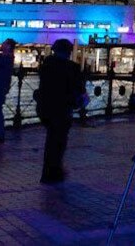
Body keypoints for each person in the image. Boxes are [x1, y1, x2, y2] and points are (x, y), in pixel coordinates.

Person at [36, 38, 87, 184]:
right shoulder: (72, 68)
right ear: (68, 52)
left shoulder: (46, 66)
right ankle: (54, 171)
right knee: (59, 141)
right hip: (63, 108)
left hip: (45, 108)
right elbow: (78, 89)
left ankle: (48, 172)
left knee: (51, 139)